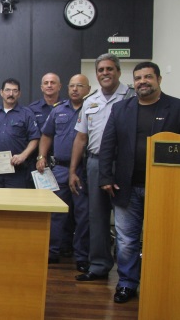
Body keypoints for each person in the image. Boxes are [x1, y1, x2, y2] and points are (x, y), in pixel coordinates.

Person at [99, 62, 180, 303]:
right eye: (138, 78)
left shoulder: (179, 108)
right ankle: (127, 284)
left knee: (163, 237)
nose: (142, 81)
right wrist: (105, 177)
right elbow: (108, 145)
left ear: (159, 79)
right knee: (126, 240)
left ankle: (163, 281)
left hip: (166, 189)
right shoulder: (120, 109)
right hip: (126, 186)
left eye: (148, 77)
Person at [70, 53, 134, 282]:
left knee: (127, 218)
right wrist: (73, 171)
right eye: (101, 70)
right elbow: (80, 139)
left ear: (118, 71)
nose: (105, 73)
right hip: (95, 162)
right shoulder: (90, 100)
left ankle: (128, 273)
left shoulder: (132, 96)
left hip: (125, 163)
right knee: (96, 216)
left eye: (109, 69)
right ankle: (98, 265)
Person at [37, 74, 91, 271]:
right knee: (57, 212)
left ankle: (82, 256)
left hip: (83, 169)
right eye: (72, 86)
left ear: (88, 88)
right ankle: (53, 251)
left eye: (80, 86)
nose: (75, 89)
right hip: (59, 167)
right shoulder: (58, 110)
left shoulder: (92, 109)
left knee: (83, 214)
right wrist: (41, 156)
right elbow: (46, 135)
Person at [0, 78, 40, 188]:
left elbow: (35, 138)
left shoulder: (27, 114)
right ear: (1, 92)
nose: (11, 94)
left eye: (15, 91)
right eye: (7, 90)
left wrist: (23, 156)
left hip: (17, 171)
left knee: (15, 203)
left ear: (19, 94)